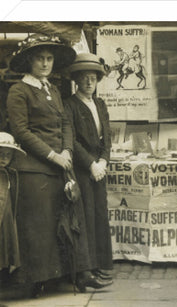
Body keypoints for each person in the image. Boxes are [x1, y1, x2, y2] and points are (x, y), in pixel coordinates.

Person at [6, 34, 110, 296]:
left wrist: (66, 150)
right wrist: (53, 155)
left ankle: (81, 275)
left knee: (73, 221)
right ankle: (38, 279)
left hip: (62, 164)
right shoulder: (19, 90)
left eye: (49, 58)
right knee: (40, 227)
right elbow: (22, 131)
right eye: (40, 58)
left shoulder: (52, 89)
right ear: (30, 61)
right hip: (35, 168)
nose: (45, 63)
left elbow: (65, 122)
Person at [64, 53, 114, 286]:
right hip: (82, 169)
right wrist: (91, 164)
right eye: (84, 78)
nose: (89, 82)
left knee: (99, 214)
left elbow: (107, 136)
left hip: (99, 168)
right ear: (76, 80)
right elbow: (71, 140)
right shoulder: (70, 105)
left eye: (92, 78)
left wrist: (103, 160)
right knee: (85, 217)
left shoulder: (100, 104)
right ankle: (87, 269)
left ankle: (100, 265)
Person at [0, 132, 25, 285]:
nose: (4, 158)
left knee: (4, 255)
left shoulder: (10, 174)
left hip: (6, 221)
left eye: (8, 155)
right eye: (0, 154)